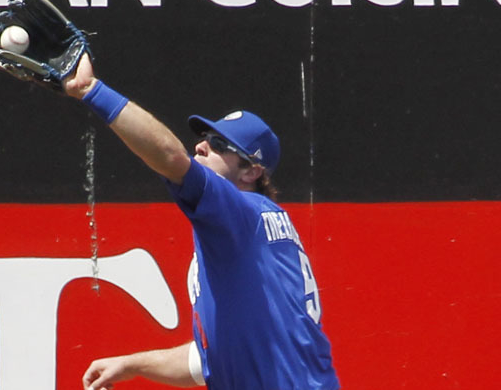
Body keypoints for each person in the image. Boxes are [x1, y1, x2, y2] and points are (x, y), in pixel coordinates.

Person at [65, 54, 339, 390]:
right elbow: (209, 359)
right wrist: (132, 364)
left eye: (220, 144)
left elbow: (171, 158)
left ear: (251, 171)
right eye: (205, 137)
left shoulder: (243, 214)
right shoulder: (258, 232)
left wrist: (92, 90)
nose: (202, 146)